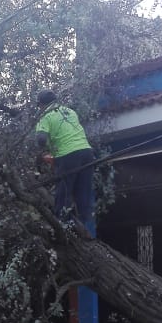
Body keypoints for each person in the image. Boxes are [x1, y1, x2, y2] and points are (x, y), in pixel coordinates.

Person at [35, 90, 94, 225]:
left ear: (41, 104)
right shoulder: (70, 111)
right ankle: (84, 226)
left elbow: (41, 139)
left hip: (67, 155)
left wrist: (45, 150)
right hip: (87, 152)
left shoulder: (45, 116)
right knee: (83, 192)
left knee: (63, 193)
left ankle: (62, 227)